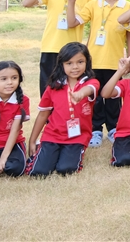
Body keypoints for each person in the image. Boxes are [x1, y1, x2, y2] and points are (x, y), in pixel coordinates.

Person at [67, 0, 130, 147]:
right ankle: (95, 130)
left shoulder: (128, 6)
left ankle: (113, 128)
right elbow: (72, 22)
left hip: (115, 61)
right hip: (93, 60)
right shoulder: (93, 5)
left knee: (113, 98)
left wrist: (129, 60)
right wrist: (71, 2)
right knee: (93, 97)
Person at [21, 0, 96, 96]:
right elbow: (26, 3)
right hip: (50, 46)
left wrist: (88, 45)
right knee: (47, 88)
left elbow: (94, 22)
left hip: (73, 49)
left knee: (70, 89)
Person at [27, 42, 99, 177]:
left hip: (77, 136)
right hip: (52, 135)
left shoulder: (91, 83)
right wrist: (32, 140)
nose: (75, 67)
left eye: (80, 62)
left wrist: (80, 94)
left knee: (66, 169)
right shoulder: (53, 86)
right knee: (39, 172)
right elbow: (43, 114)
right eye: (69, 63)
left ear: (87, 62)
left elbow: (90, 89)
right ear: (62, 64)